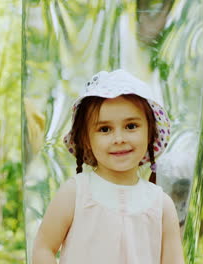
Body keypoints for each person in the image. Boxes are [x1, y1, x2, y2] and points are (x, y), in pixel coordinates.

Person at [32, 69, 184, 264]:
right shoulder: (75, 193)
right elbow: (43, 248)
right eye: (105, 129)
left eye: (131, 126)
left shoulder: (162, 205)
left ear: (150, 131)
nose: (119, 139)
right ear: (86, 139)